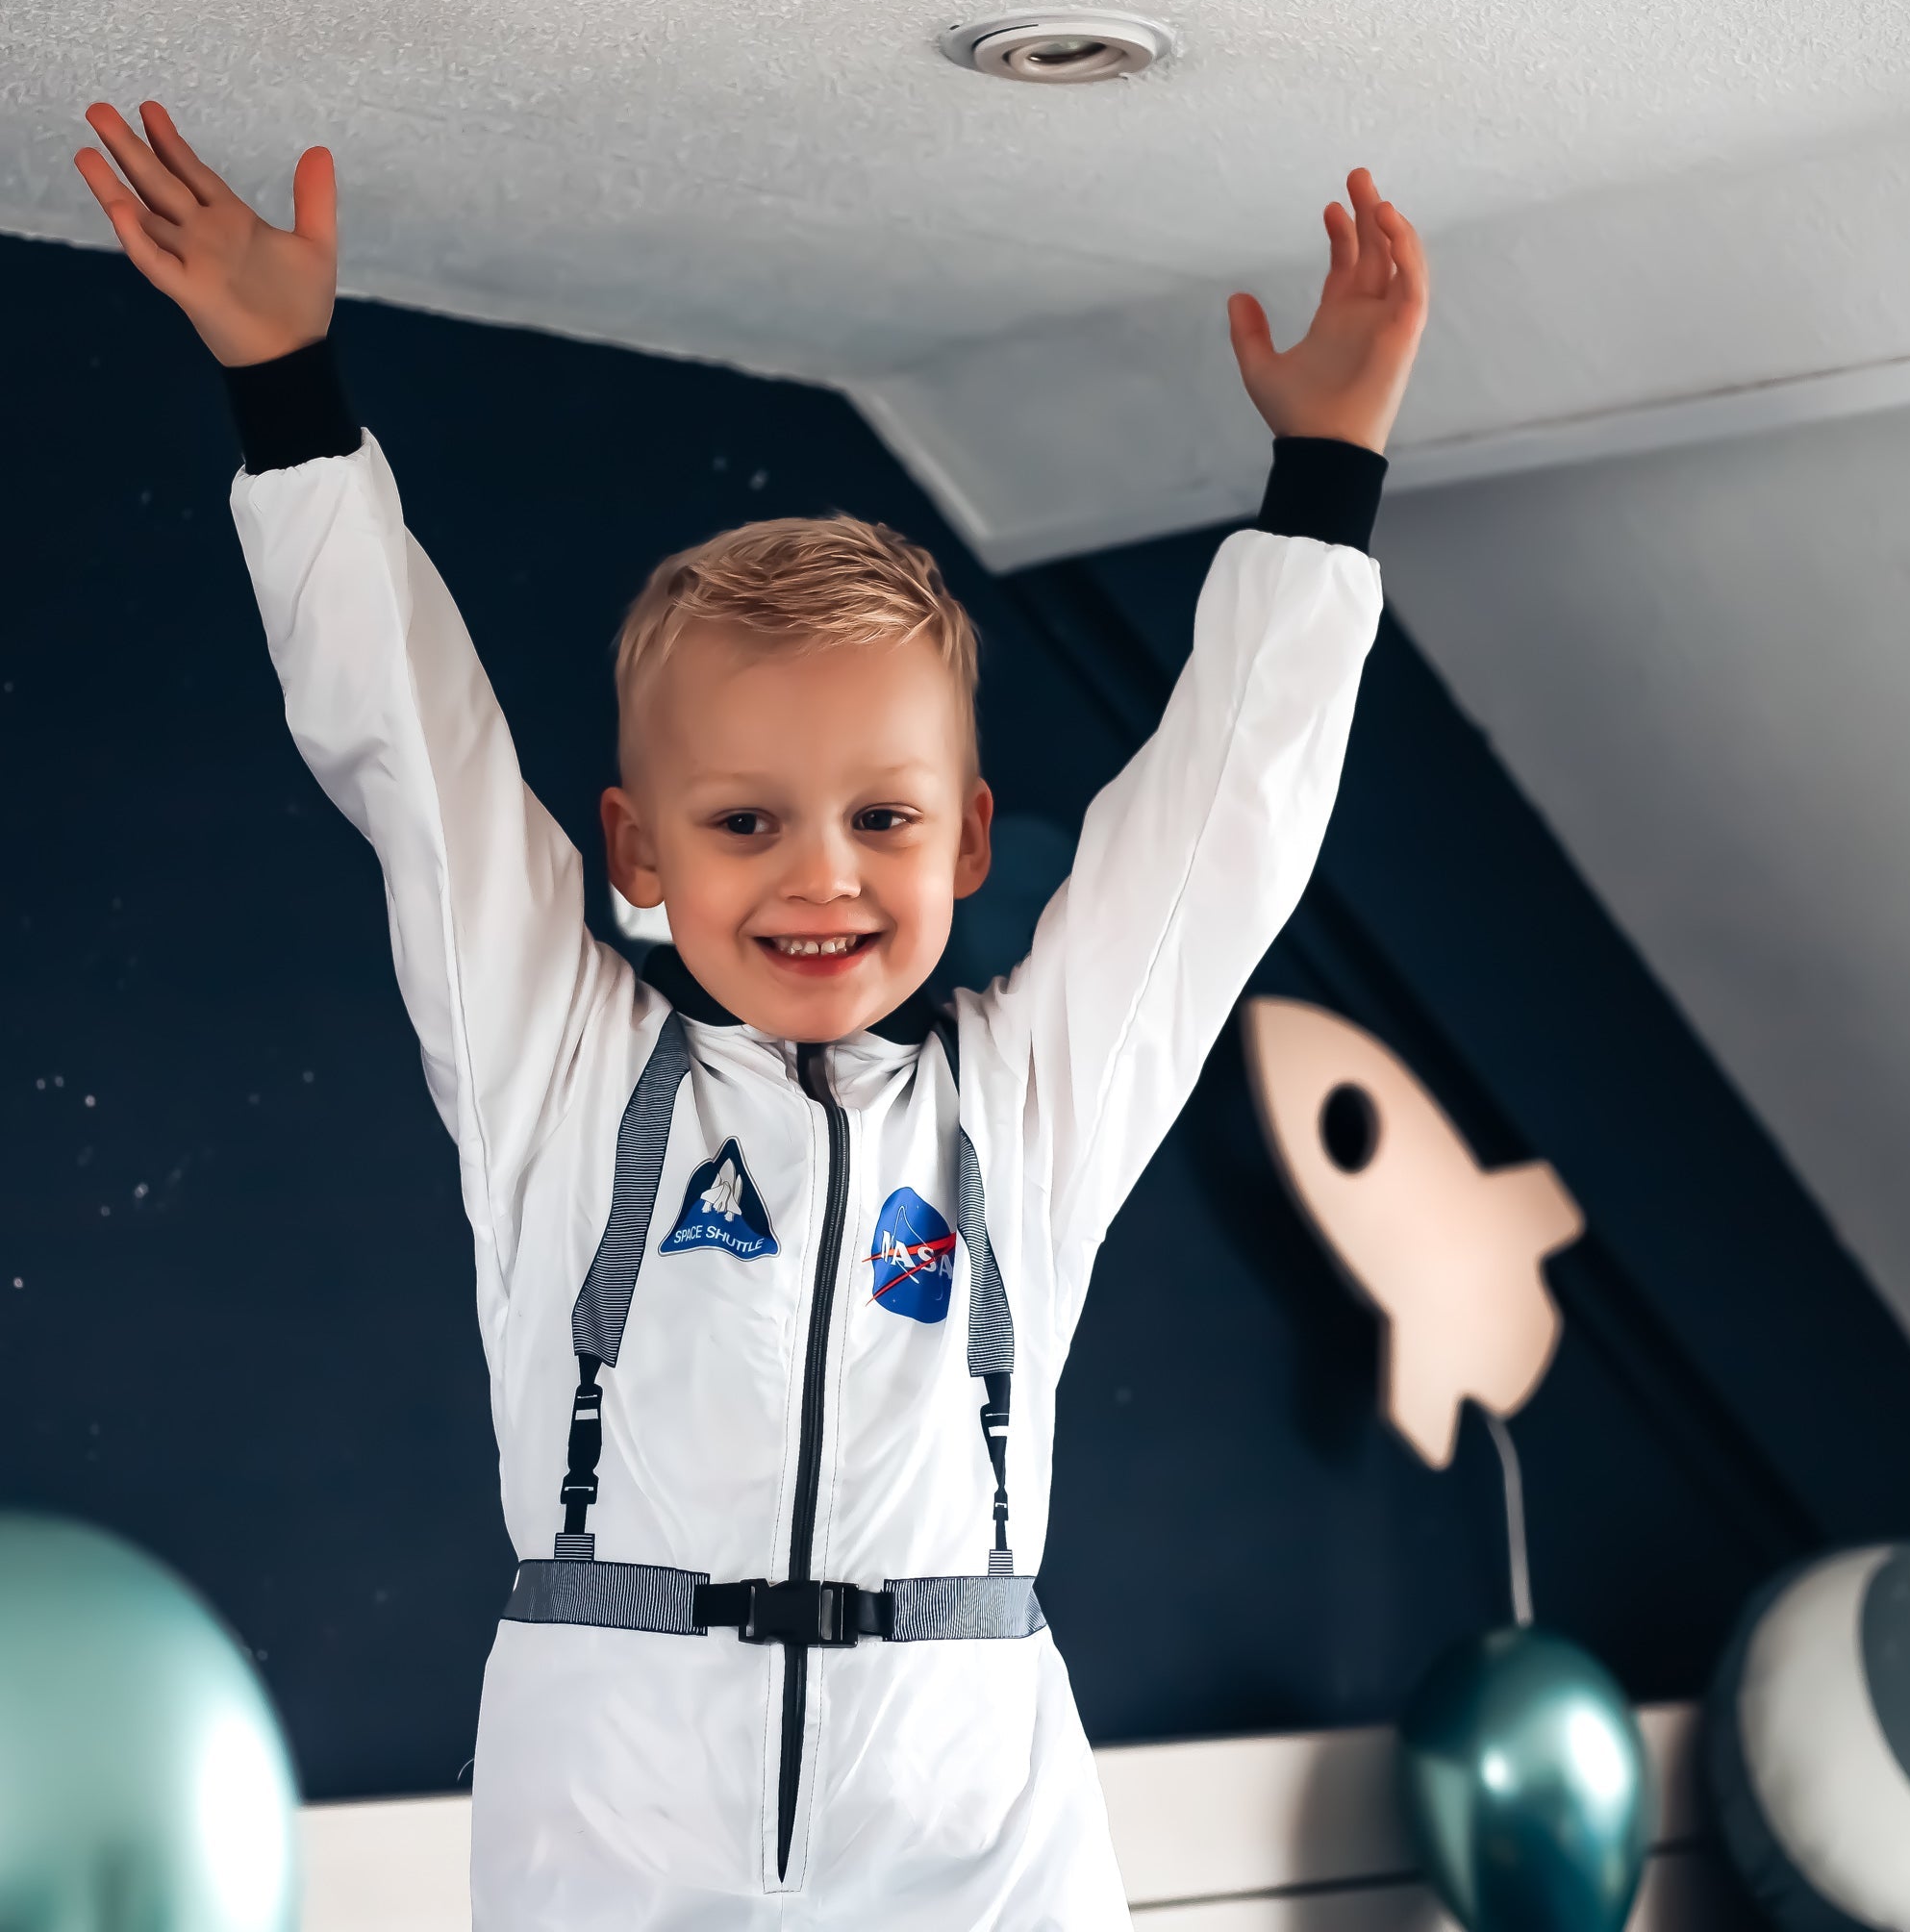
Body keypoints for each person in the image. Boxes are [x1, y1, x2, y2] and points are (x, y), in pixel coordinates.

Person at [75, 99, 1428, 1929]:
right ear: (635, 851)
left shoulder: (1021, 1107)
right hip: (619, 1807)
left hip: (970, 1806)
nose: (821, 879)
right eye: (745, 822)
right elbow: (421, 758)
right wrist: (289, 390)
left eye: (882, 819)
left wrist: (1328, 478)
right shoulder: (565, 1072)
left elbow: (1221, 844)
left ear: (963, 841)